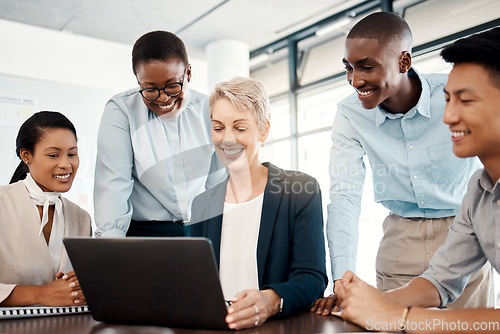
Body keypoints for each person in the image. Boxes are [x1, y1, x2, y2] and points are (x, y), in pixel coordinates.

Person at [311, 12, 492, 315]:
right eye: (348, 68)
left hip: (465, 232)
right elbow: (344, 196)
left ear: (404, 62)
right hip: (400, 239)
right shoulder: (349, 114)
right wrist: (344, 281)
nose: (355, 80)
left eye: (367, 66)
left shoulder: (454, 97)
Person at [189, 77, 328, 330]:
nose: (227, 139)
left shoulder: (300, 191)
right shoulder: (202, 204)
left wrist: (271, 300)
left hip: (273, 328)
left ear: (264, 130)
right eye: (218, 128)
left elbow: (312, 278)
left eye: (240, 128)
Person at [94, 30, 225, 238]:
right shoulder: (121, 111)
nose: (163, 98)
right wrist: (112, 252)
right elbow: (113, 186)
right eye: (150, 89)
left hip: (200, 228)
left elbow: (219, 182)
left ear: (188, 73)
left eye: (173, 86)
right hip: (143, 233)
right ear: (138, 81)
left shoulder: (211, 110)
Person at [1, 111, 91, 307]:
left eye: (72, 154)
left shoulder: (81, 218)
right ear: (26, 156)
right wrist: (39, 294)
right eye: (53, 155)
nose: (66, 164)